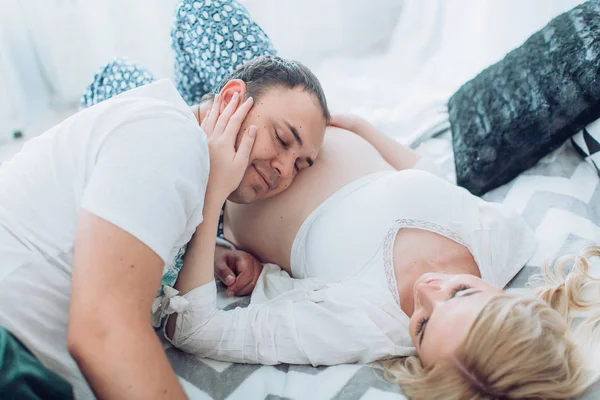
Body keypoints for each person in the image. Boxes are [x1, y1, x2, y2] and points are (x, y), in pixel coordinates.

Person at [162, 113, 600, 400]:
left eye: (424, 326)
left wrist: (213, 195)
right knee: (206, 12)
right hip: (288, 125)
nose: (429, 291)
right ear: (507, 300)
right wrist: (360, 128)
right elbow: (431, 179)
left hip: (204, 178)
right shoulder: (505, 240)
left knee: (125, 94)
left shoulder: (364, 327)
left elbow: (194, 329)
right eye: (461, 292)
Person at [0, 52, 329, 399]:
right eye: (280, 138)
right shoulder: (171, 138)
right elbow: (104, 332)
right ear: (232, 99)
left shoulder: (181, 162)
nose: (285, 170)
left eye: (301, 166)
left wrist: (209, 238)